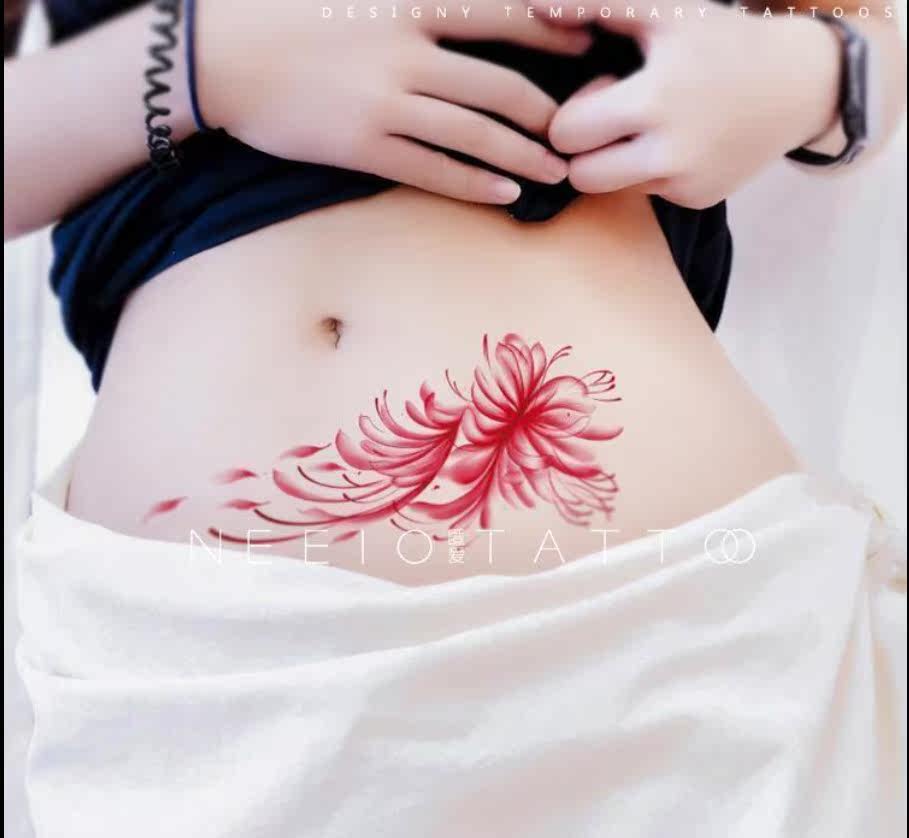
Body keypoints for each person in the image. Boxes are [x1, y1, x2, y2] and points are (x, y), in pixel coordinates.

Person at [5, 4, 907, 835]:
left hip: (687, 656)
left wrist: (810, 72)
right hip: (203, 678)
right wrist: (196, 62)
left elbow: (869, 46)